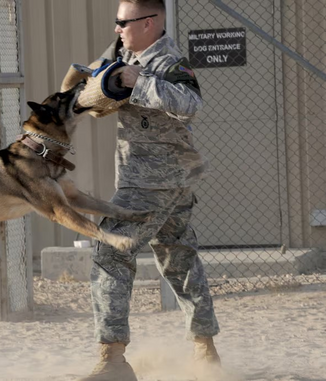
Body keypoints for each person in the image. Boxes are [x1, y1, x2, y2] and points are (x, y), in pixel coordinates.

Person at [73, 1, 221, 380]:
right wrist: (87, 87)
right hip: (152, 177)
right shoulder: (121, 50)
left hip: (158, 179)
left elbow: (190, 104)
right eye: (117, 21)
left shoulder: (170, 63)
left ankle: (114, 360)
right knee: (179, 258)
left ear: (149, 22)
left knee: (110, 250)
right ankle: (205, 349)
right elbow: (84, 82)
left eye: (124, 22)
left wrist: (137, 81)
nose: (117, 28)